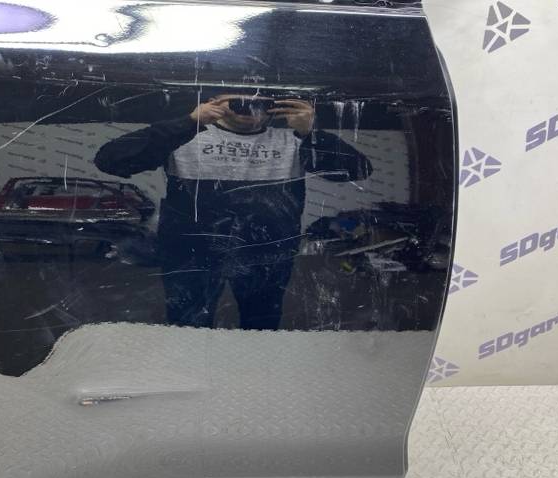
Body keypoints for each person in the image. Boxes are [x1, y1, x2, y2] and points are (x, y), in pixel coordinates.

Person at [94, 92, 371, 330]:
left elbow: (358, 171)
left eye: (261, 104)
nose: (250, 110)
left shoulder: (295, 141)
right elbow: (110, 160)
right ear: (214, 101)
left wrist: (312, 133)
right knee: (187, 326)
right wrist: (189, 122)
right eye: (238, 102)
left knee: (261, 326)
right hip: (191, 253)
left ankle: (254, 373)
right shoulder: (183, 136)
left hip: (266, 254)